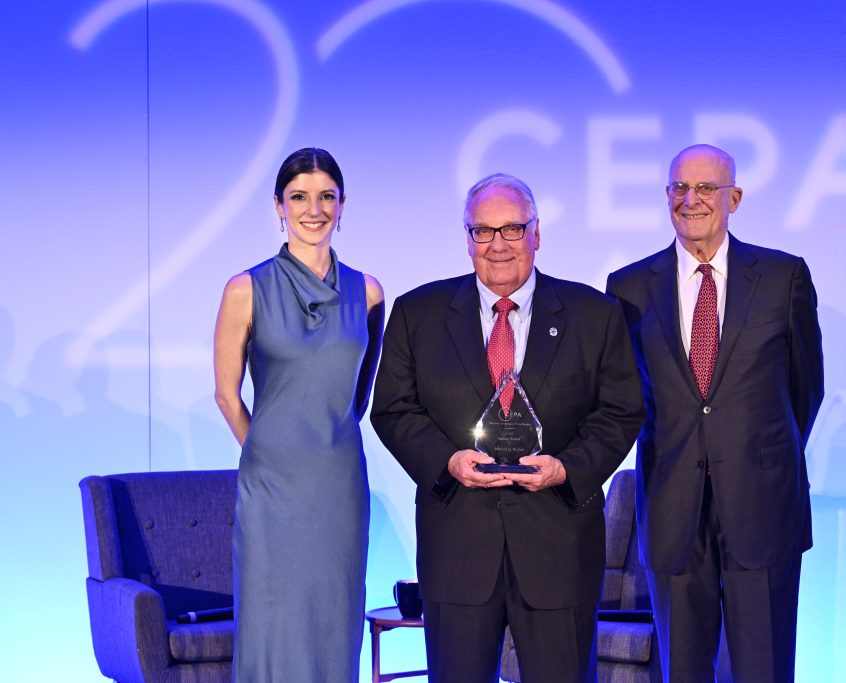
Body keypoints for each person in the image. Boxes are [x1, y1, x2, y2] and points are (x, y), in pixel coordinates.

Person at [370, 173, 644, 683]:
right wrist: (447, 462)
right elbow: (392, 408)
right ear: (468, 238)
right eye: (483, 231)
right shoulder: (418, 314)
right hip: (458, 545)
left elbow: (621, 410)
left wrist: (567, 469)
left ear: (537, 233)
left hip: (558, 543)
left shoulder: (594, 315)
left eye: (512, 229)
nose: (498, 245)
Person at [606, 144, 824, 683]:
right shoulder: (628, 287)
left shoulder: (782, 277)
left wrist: (757, 452)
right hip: (673, 505)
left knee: (763, 668)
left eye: (706, 187)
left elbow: (806, 389)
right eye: (679, 187)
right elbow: (625, 396)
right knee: (683, 670)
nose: (691, 199)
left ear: (735, 197)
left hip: (764, 503)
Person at [213, 147, 384, 682]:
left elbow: (360, 393)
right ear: (279, 206)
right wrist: (267, 449)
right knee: (272, 623)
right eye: (300, 197)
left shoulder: (370, 291)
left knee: (335, 624)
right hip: (271, 489)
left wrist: (320, 448)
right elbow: (225, 393)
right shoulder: (246, 288)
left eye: (326, 196)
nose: (314, 209)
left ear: (342, 203)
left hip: (338, 487)